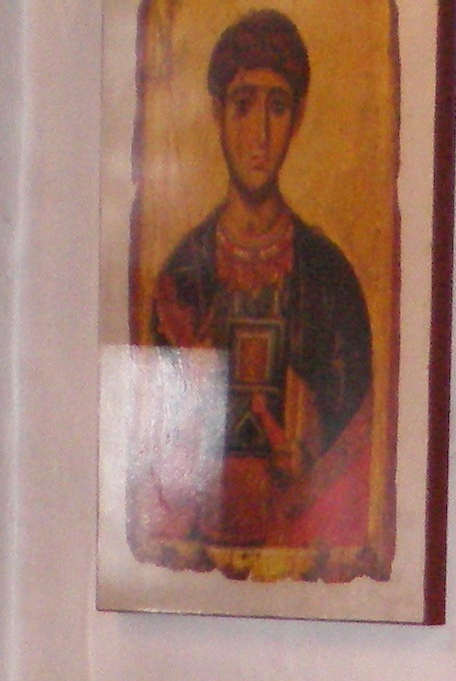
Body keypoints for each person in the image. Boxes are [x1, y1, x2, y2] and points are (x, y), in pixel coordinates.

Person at [137, 9, 374, 570]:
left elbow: (356, 441)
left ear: (299, 116)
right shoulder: (183, 276)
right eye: (244, 105)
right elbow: (156, 456)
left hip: (299, 549)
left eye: (278, 106)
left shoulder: (330, 279)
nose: (261, 134)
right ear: (217, 113)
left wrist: (309, 446)